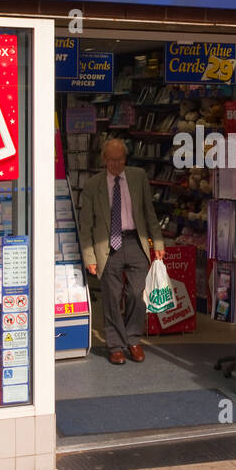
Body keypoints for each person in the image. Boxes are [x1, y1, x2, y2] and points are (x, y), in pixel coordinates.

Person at [79, 138, 166, 365]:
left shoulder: (138, 177)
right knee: (112, 297)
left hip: (135, 242)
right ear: (104, 160)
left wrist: (158, 244)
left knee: (137, 294)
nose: (116, 164)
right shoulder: (92, 185)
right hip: (107, 246)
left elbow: (149, 212)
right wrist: (89, 257)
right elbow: (86, 225)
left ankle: (133, 338)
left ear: (125, 159)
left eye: (120, 160)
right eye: (112, 160)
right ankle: (116, 345)